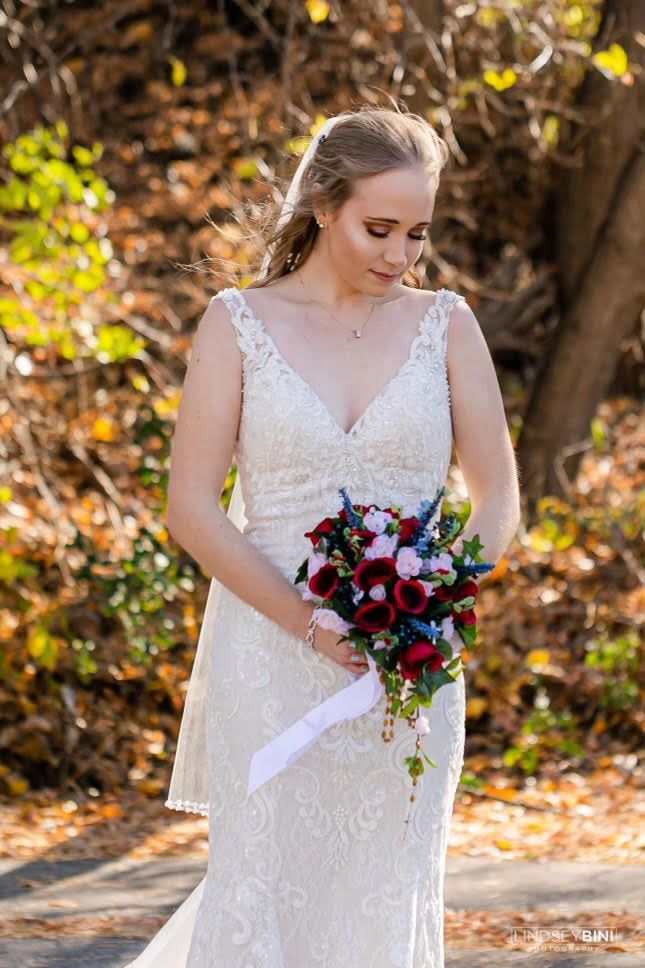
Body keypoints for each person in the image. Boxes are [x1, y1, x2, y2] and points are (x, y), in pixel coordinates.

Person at [122, 105, 521, 967]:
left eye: (416, 233)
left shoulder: (446, 325)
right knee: (260, 891)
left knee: (386, 893)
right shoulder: (237, 322)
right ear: (321, 206)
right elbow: (191, 506)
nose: (399, 255)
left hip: (406, 671)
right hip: (269, 662)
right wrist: (309, 622)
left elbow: (498, 499)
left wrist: (434, 608)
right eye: (379, 229)